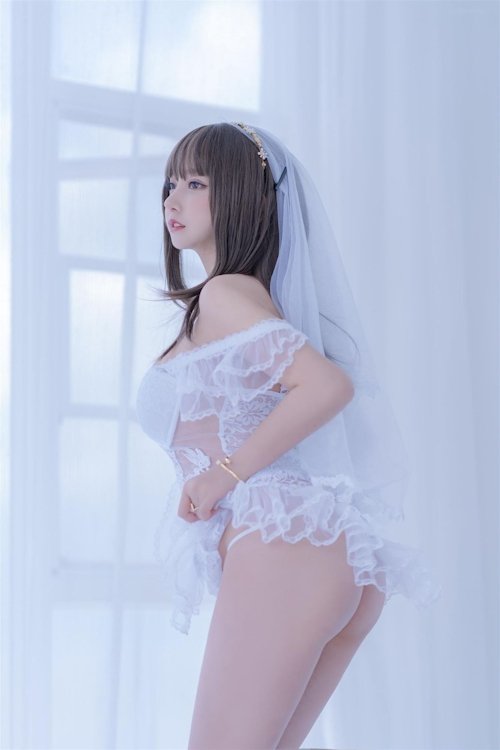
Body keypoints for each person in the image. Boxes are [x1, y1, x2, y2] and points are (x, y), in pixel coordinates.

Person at [135, 122, 441, 750]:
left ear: (244, 196)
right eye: (170, 184)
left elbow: (325, 386)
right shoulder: (240, 300)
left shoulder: (224, 295)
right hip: (317, 554)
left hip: (285, 547)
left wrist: (223, 475)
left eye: (196, 183)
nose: (172, 199)